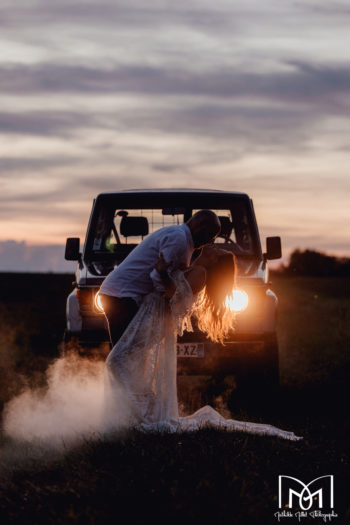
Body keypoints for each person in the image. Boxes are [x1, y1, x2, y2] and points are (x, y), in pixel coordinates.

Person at [102, 244, 303, 441]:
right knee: (131, 364)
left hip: (156, 320)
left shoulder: (200, 273)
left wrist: (163, 274)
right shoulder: (194, 266)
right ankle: (136, 414)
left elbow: (175, 297)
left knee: (118, 361)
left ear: (215, 260)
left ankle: (143, 416)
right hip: (151, 315)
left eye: (216, 250)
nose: (211, 246)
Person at [99, 209, 221, 348]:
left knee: (132, 352)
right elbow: (158, 276)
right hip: (121, 295)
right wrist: (171, 302)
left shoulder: (183, 241)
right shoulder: (179, 239)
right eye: (211, 236)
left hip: (123, 295)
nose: (210, 242)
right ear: (201, 227)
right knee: (126, 353)